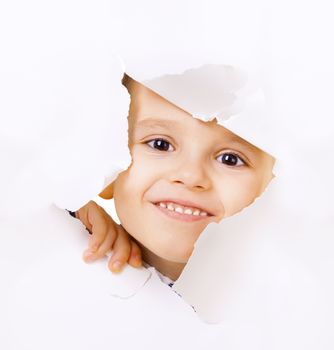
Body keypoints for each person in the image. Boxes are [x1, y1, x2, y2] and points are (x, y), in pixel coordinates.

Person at [73, 74, 275, 281]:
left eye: (230, 159)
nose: (190, 176)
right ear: (105, 168)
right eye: (160, 144)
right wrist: (67, 215)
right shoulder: (69, 244)